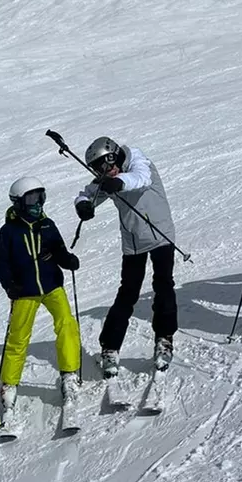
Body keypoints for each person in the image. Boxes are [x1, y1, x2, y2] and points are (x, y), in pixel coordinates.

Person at [74, 137, 178, 375]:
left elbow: (141, 179)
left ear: (113, 155)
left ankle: (164, 338)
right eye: (98, 169)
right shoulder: (110, 177)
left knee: (163, 285)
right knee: (128, 292)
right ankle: (110, 346)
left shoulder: (138, 161)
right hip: (132, 241)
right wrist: (84, 204)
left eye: (105, 165)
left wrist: (117, 183)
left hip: (161, 234)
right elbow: (87, 193)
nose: (104, 171)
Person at [0, 177, 81, 419]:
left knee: (67, 325)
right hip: (25, 291)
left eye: (41, 196)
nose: (38, 203)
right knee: (18, 337)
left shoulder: (47, 225)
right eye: (32, 198)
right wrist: (9, 285)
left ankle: (69, 374)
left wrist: (67, 260)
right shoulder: (9, 231)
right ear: (19, 202)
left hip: (52, 286)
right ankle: (9, 386)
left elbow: (59, 250)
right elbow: (2, 263)